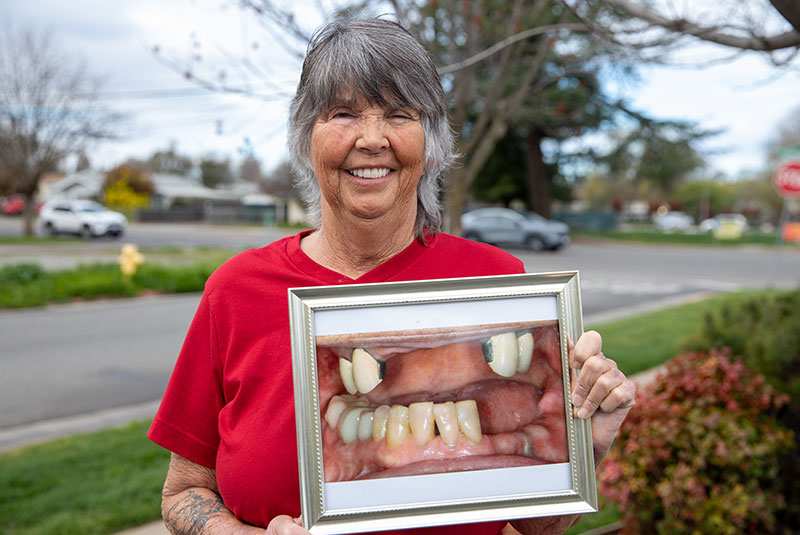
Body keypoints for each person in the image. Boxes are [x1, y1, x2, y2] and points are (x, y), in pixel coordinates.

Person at [148, 17, 635, 535]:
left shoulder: (495, 283)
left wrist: (589, 441)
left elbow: (535, 526)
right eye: (343, 113)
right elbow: (183, 491)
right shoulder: (236, 289)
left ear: (429, 144)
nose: (372, 139)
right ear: (306, 137)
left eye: (400, 114)